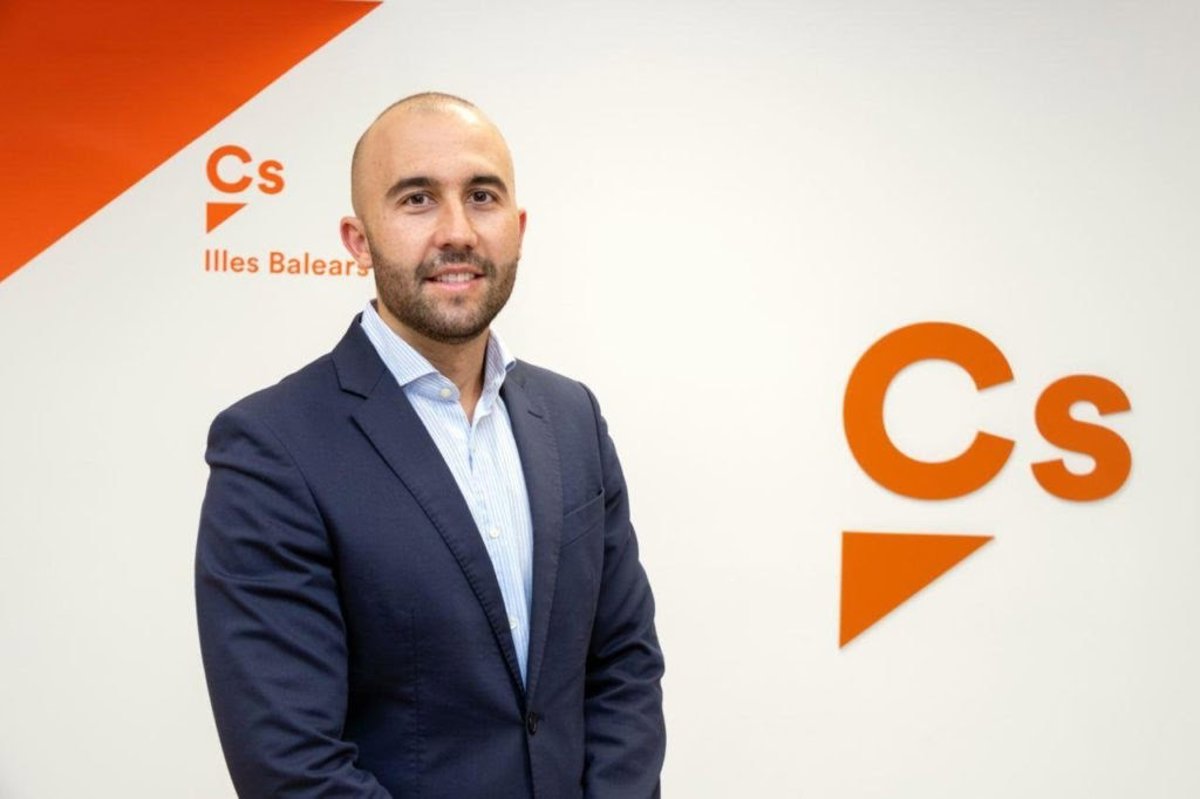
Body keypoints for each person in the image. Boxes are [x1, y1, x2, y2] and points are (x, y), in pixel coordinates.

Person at [194, 92, 666, 798]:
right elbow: (290, 763)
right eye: (417, 199)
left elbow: (623, 665)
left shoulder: (572, 417)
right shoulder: (272, 448)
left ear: (517, 227)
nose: (458, 231)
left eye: (482, 196)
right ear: (359, 240)